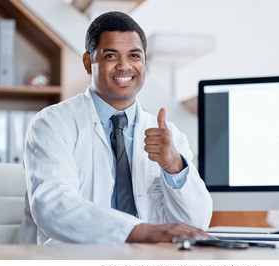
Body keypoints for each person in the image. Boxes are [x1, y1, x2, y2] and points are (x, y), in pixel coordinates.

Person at [15, 11, 213, 244]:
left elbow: (196, 223)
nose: (124, 66)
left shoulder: (168, 135)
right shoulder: (53, 123)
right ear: (89, 63)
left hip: (144, 264)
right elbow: (52, 206)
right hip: (72, 261)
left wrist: (174, 166)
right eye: (111, 55)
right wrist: (139, 232)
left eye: (134, 55)